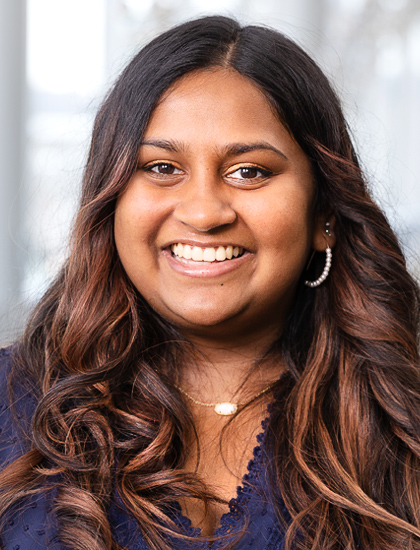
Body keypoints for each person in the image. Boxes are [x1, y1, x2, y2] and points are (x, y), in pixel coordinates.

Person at [1, 14, 420, 550]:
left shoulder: (401, 426)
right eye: (161, 167)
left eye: (249, 171)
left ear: (325, 215)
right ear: (111, 202)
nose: (203, 213)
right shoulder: (8, 402)